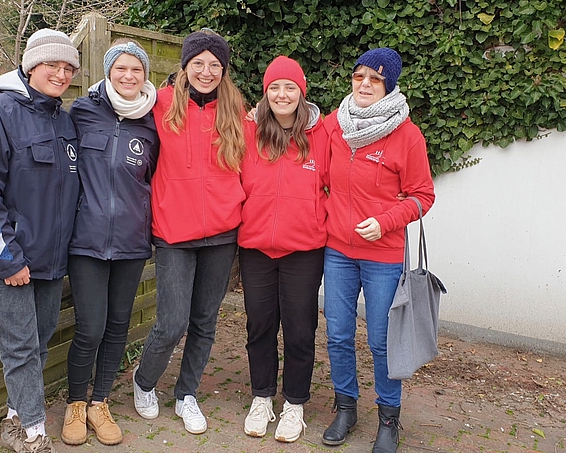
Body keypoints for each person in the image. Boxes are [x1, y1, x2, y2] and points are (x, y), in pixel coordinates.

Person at [0, 29, 80, 453]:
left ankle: (14, 418)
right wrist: (8, 259)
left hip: (50, 261)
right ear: (30, 66)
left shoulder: (63, 119)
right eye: (53, 65)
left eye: (69, 68)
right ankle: (34, 433)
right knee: (21, 348)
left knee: (39, 341)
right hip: (7, 261)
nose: (61, 74)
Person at [131, 28, 247, 435]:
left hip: (222, 231)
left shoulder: (235, 108)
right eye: (199, 63)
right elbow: (118, 99)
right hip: (173, 233)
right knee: (172, 321)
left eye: (215, 65)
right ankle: (144, 383)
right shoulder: (158, 103)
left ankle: (186, 394)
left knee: (205, 319)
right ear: (185, 65)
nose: (207, 71)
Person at [321, 47, 435, 453]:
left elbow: (424, 196)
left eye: (375, 78)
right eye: (359, 76)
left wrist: (385, 222)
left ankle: (389, 418)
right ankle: (345, 408)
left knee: (382, 341)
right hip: (337, 251)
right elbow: (300, 140)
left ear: (389, 85)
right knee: (336, 334)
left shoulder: (406, 134)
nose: (365, 84)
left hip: (383, 256)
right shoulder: (335, 125)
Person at [59, 39, 159, 446]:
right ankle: (75, 405)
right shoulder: (82, 112)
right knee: (90, 328)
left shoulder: (153, 122)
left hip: (132, 241)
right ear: (108, 72)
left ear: (146, 75)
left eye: (137, 69)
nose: (129, 76)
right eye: (121, 68)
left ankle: (100, 403)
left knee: (118, 326)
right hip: (85, 240)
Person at [238, 56, 328, 443]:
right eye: (274, 87)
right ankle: (262, 398)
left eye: (290, 87)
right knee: (259, 325)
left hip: (304, 249)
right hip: (256, 246)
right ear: (265, 92)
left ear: (302, 91)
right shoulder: (247, 131)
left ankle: (294, 403)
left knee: (299, 328)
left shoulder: (323, 134)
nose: (282, 94)